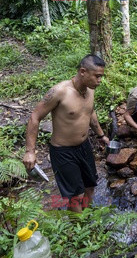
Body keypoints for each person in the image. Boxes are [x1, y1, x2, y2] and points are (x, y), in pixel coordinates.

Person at [23, 54, 109, 212]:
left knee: (90, 186)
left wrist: (101, 135)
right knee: (75, 195)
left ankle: (87, 219)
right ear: (83, 71)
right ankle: (80, 231)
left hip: (84, 147)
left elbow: (89, 112)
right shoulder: (59, 92)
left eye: (101, 77)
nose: (99, 81)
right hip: (63, 152)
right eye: (97, 76)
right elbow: (35, 117)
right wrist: (30, 151)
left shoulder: (90, 90)